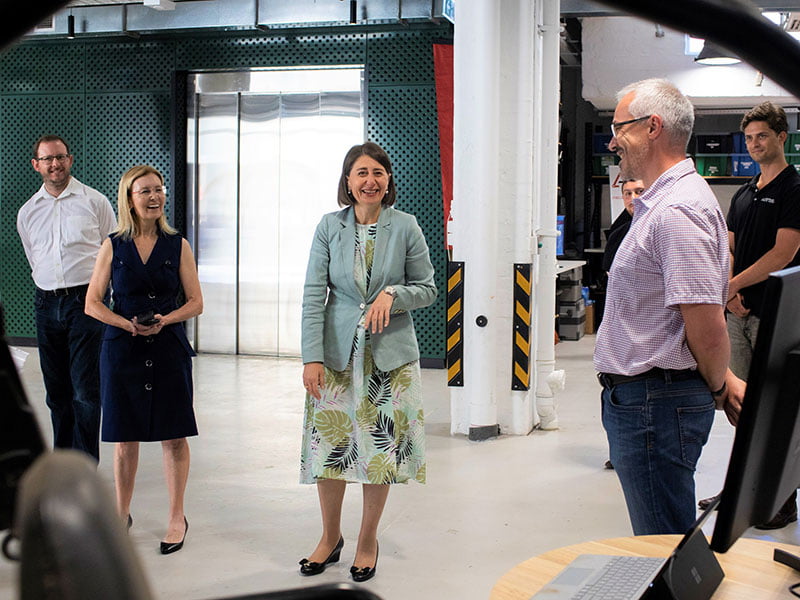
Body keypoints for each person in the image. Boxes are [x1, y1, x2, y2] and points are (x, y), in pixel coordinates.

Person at [594, 78, 744, 535]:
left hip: (652, 405)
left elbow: (706, 322)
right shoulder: (666, 202)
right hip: (648, 401)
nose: (613, 140)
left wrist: (720, 384)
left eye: (619, 127)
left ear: (652, 126)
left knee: (663, 546)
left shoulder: (676, 211)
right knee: (666, 534)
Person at [299, 141, 436, 582]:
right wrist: (311, 357)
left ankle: (366, 541)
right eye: (361, 173)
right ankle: (329, 537)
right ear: (348, 181)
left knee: (379, 451)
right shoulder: (328, 227)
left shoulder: (406, 226)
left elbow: (428, 288)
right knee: (331, 449)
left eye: (378, 172)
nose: (370, 180)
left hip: (388, 360)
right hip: (336, 357)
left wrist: (394, 294)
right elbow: (312, 297)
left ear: (388, 179)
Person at [85, 165, 203, 554]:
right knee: (124, 439)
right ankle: (121, 513)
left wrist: (164, 320)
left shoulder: (178, 245)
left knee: (174, 436)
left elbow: (196, 302)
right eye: (144, 191)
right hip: (122, 351)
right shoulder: (113, 245)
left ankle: (176, 516)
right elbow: (92, 303)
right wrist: (128, 325)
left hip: (168, 350)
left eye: (158, 190)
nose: (154, 197)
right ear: (129, 199)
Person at [697, 102, 800, 529]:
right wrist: (729, 292)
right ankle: (741, 486)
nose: (755, 144)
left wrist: (733, 285)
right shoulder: (744, 192)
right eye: (749, 138)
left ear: (782, 137)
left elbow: (785, 251)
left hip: (776, 319)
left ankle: (782, 499)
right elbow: (728, 248)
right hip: (738, 315)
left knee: (776, 408)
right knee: (741, 405)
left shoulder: (794, 189)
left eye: (763, 136)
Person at [17, 135, 116, 462]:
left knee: (85, 393)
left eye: (60, 157)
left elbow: (111, 253)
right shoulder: (27, 212)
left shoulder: (95, 202)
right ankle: (63, 463)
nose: (54, 164)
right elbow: (35, 259)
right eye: (47, 159)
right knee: (56, 394)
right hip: (46, 304)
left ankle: (86, 465)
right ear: (36, 165)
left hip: (85, 302)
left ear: (70, 160)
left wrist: (101, 297)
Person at [601, 178, 644, 272]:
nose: (633, 198)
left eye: (639, 191)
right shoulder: (618, 232)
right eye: (628, 193)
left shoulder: (662, 226)